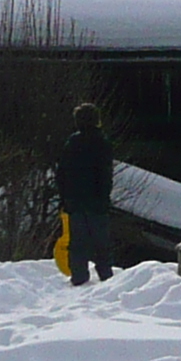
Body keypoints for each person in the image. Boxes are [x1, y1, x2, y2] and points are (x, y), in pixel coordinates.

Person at [57, 102, 118, 285]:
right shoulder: (103, 142)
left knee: (77, 243)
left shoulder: (72, 143)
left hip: (75, 201)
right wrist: (104, 197)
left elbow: (62, 173)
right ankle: (106, 278)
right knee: (102, 243)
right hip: (97, 201)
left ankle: (79, 277)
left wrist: (65, 197)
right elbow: (105, 175)